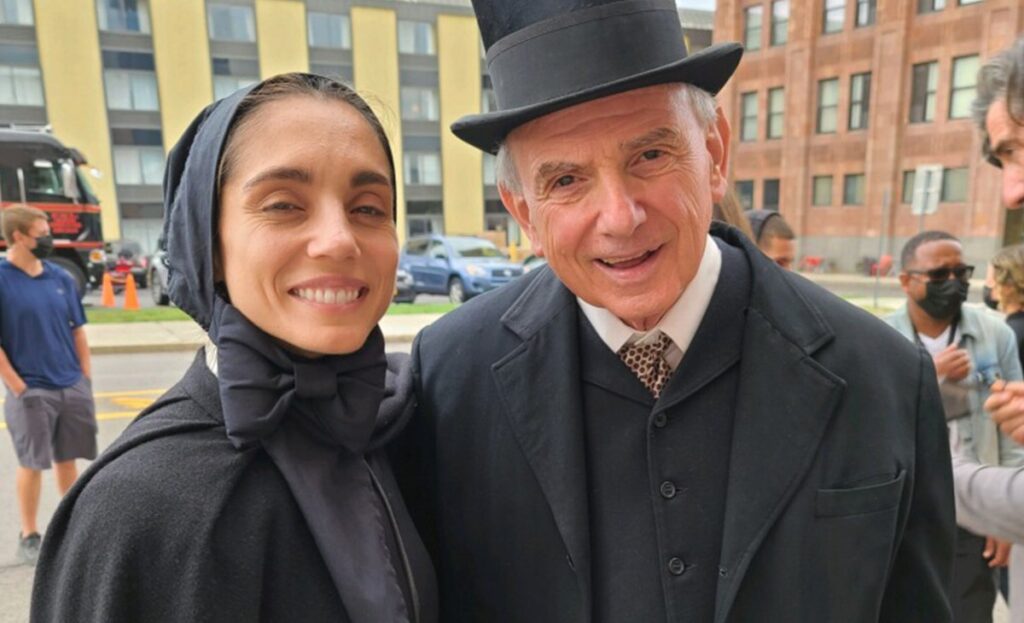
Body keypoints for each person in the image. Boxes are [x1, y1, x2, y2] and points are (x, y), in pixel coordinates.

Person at [392, 1, 956, 620]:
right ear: (523, 211)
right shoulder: (450, 378)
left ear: (714, 153)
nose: (620, 217)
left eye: (650, 156)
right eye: (566, 181)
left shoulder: (884, 376)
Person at [31, 73, 436, 623]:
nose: (340, 239)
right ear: (209, 243)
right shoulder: (136, 508)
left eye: (368, 207)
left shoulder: (414, 426)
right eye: (283, 205)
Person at [884, 230, 1024, 623]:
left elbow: (1013, 431)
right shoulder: (879, 336)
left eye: (962, 272)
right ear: (906, 281)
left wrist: (1006, 520)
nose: (954, 283)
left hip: (976, 504)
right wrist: (929, 374)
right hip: (907, 503)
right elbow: (872, 419)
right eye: (939, 274)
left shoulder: (995, 333)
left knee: (970, 609)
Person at [0, 205, 96, 566]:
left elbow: (77, 330)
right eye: (41, 233)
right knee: (32, 463)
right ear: (19, 237)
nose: (48, 239)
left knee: (67, 460)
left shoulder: (59, 278)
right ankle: (29, 534)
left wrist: (83, 379)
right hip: (31, 390)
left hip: (70, 384)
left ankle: (70, 527)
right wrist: (19, 387)